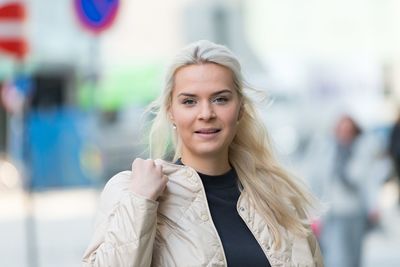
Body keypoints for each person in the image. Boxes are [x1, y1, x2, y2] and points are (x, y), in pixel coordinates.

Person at [82, 40, 323, 267]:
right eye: (189, 102)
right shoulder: (131, 191)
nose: (206, 113)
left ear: (239, 109)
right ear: (170, 112)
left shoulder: (279, 196)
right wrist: (140, 201)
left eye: (220, 99)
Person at [302, 115, 388, 267]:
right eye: (342, 130)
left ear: (355, 132)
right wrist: (313, 209)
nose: (345, 134)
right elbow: (317, 179)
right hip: (334, 212)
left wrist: (374, 206)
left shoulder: (362, 150)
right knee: (338, 257)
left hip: (355, 211)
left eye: (349, 131)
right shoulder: (328, 150)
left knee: (355, 255)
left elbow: (368, 180)